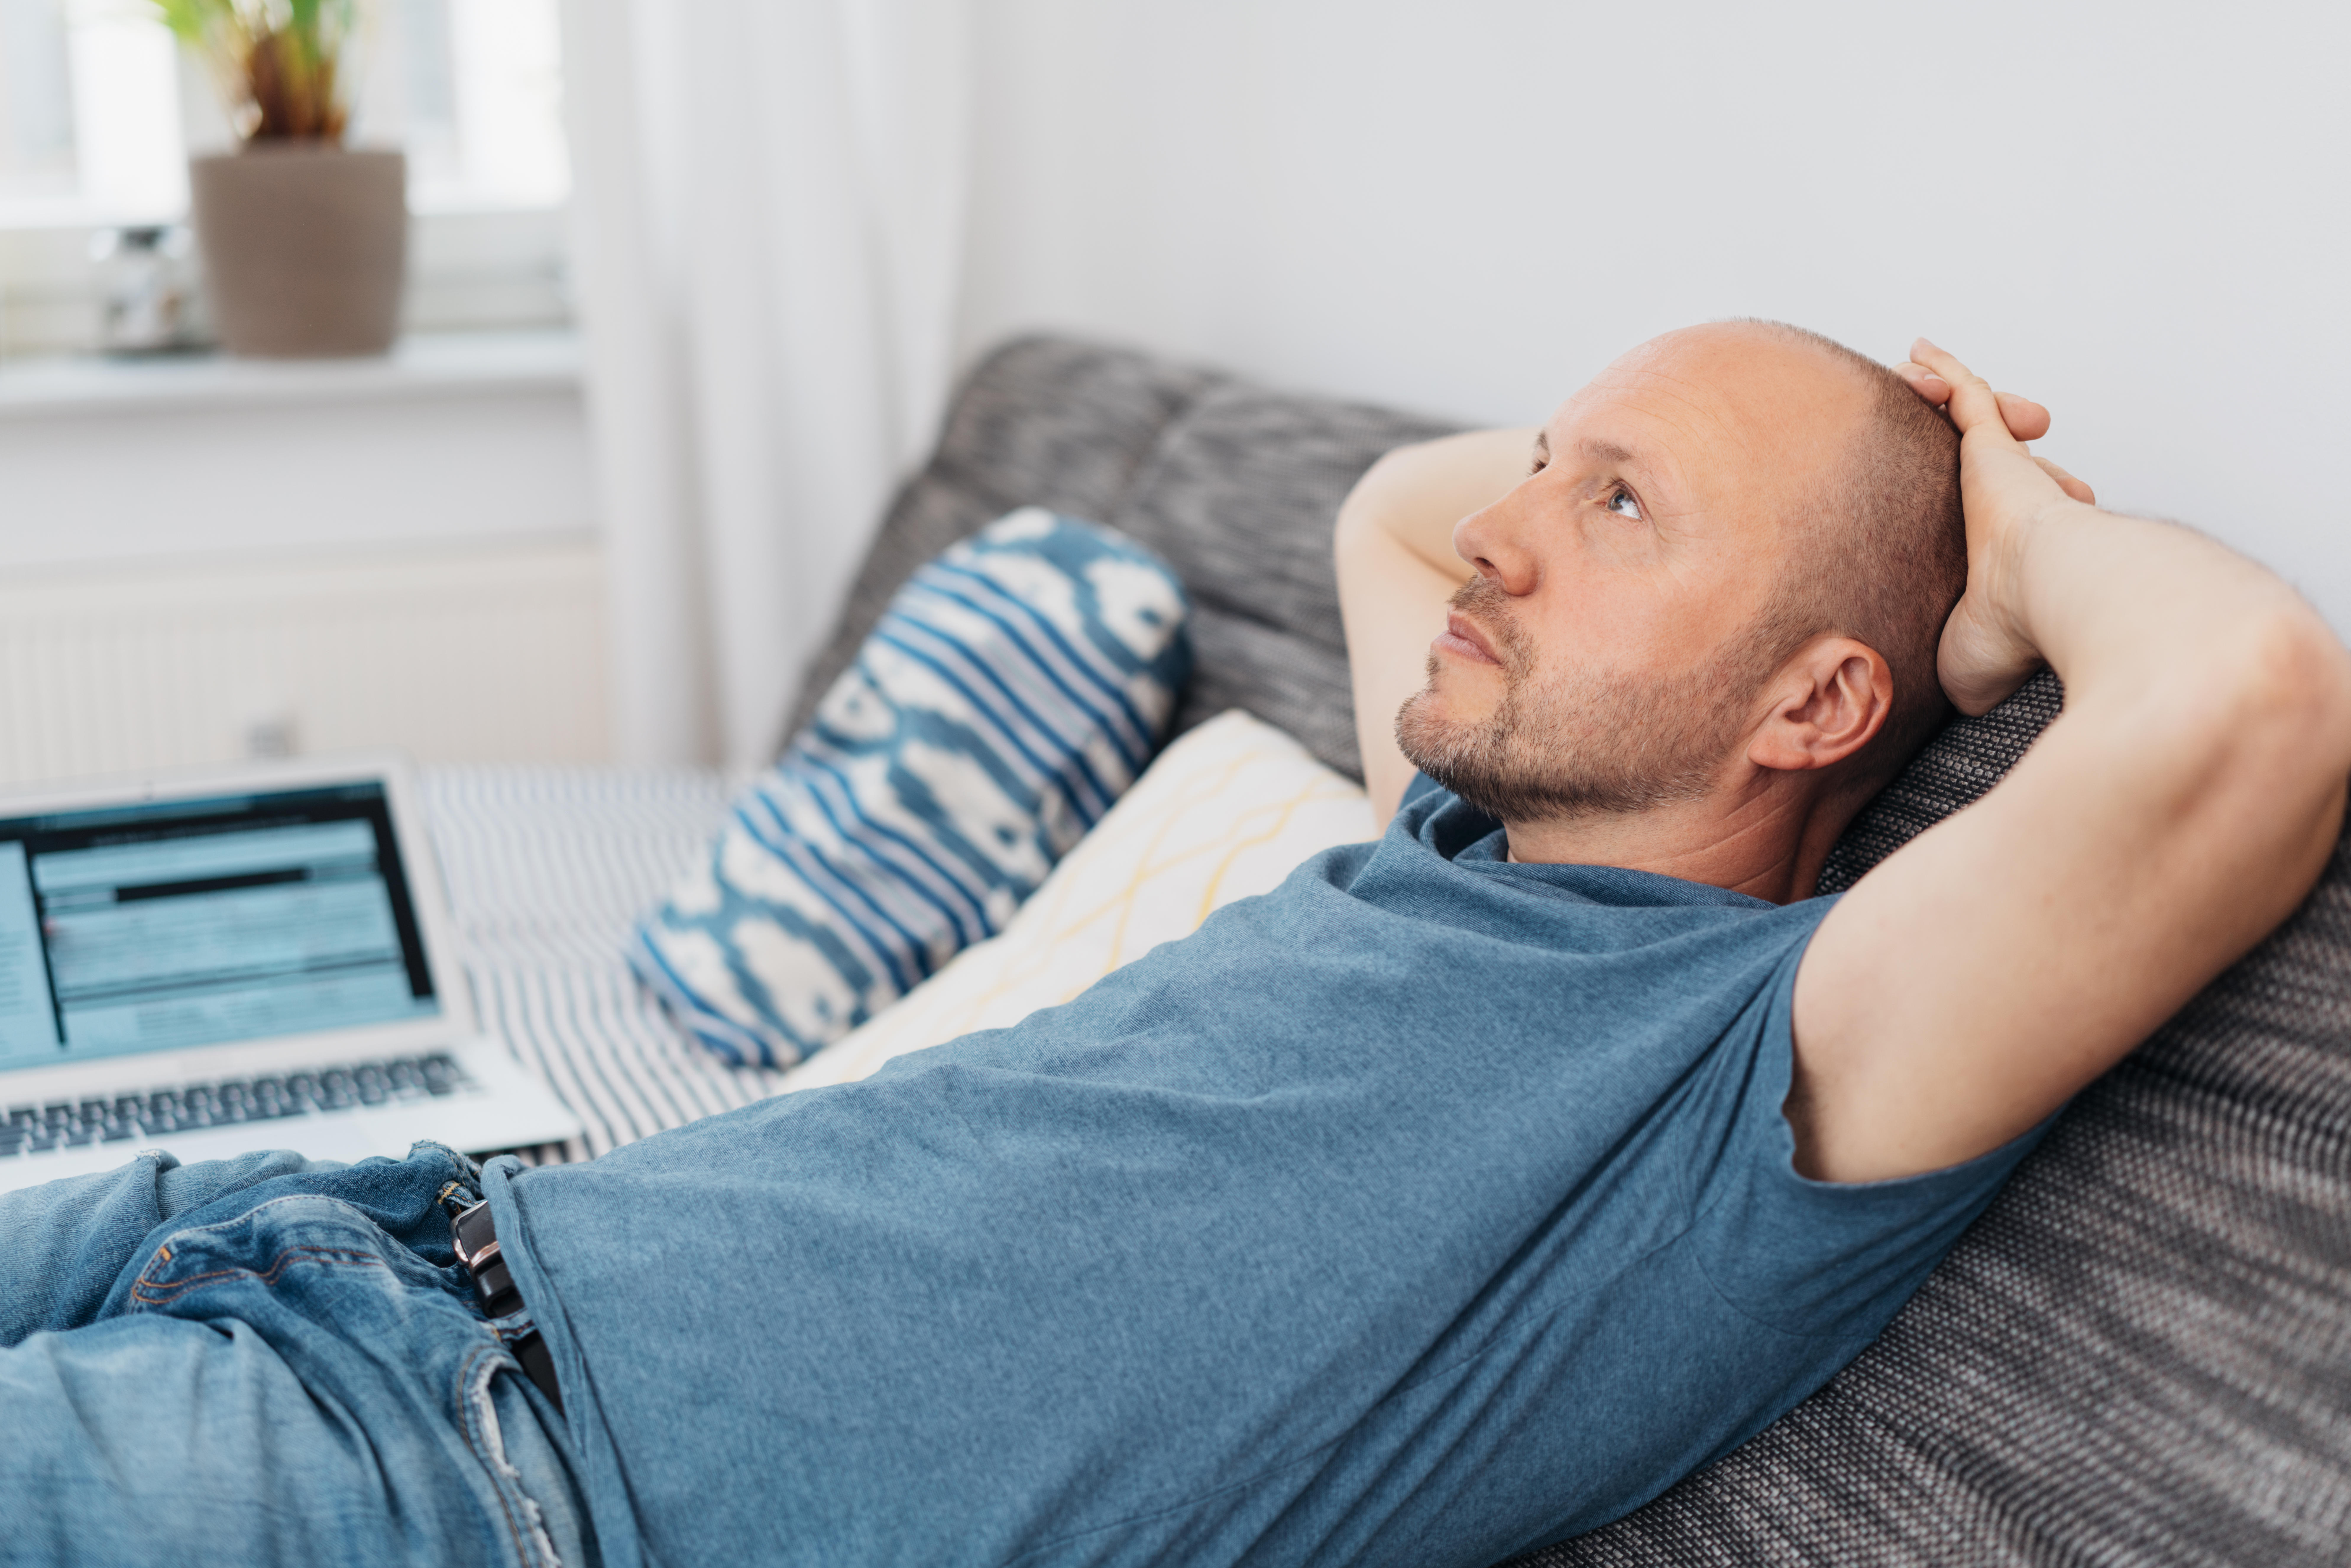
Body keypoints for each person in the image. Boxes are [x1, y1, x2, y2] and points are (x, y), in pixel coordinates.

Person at [3, 328, 2345, 1568]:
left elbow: (2246, 706)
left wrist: (2001, 553)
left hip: (448, 1485)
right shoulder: (1449, 831)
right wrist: (1639, 467)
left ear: (1814, 707)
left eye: (1617, 502)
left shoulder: (1738, 1079)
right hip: (344, 1242)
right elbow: (1390, 511)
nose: (1507, 533)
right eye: (1552, 458)